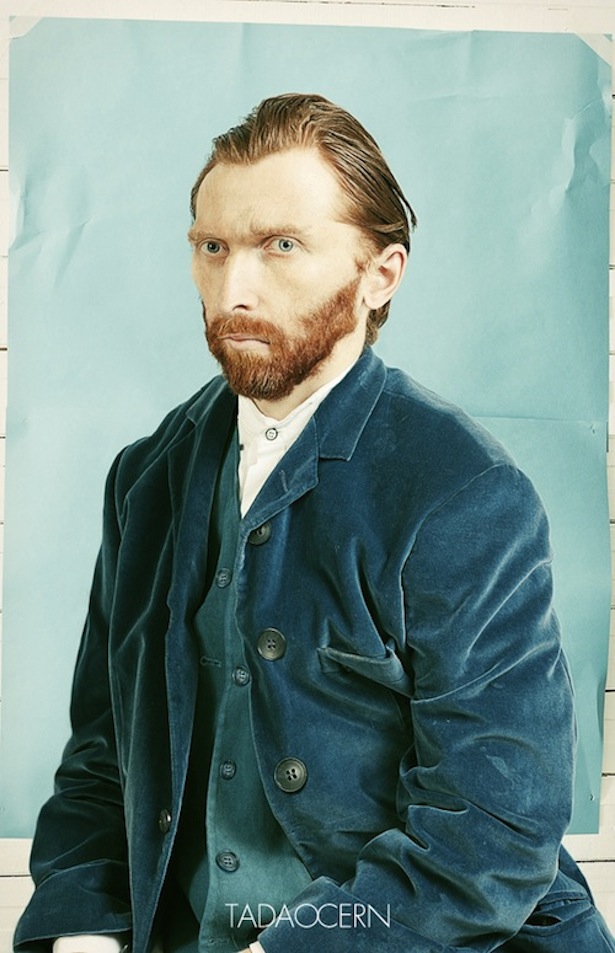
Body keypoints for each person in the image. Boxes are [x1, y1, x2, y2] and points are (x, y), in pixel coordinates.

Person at [13, 93, 615, 953]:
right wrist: (86, 933)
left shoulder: (463, 490)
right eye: (212, 247)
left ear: (380, 275)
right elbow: (104, 759)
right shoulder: (146, 478)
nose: (234, 288)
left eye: (280, 246)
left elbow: (490, 833)